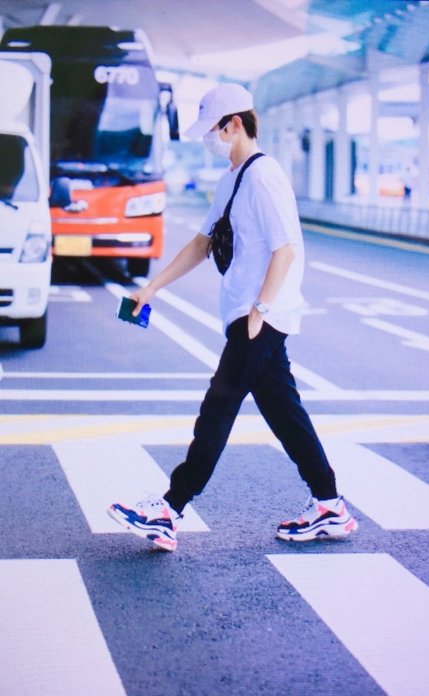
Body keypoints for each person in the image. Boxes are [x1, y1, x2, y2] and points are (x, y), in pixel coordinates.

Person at [108, 83, 358, 551]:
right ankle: (329, 504)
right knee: (283, 411)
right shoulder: (234, 178)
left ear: (235, 124)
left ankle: (169, 509)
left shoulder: (264, 176)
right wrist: (151, 288)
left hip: (260, 314)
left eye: (213, 130)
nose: (209, 139)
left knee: (219, 404)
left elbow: (286, 249)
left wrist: (260, 310)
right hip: (249, 312)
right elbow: (201, 243)